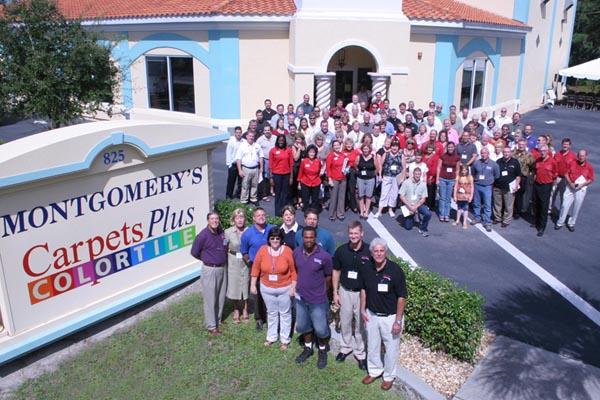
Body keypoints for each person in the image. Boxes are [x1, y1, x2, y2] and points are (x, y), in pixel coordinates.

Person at [360, 238, 407, 391]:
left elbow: (402, 297)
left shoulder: (395, 271)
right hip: (372, 315)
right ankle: (374, 370)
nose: (379, 253)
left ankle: (388, 376)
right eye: (376, 251)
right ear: (372, 253)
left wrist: (398, 321)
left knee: (391, 348)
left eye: (381, 251)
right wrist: (362, 309)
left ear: (385, 252)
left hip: (391, 317)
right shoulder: (367, 268)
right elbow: (364, 290)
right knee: (372, 346)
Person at [293, 226, 333, 369]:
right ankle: (308, 348)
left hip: (318, 299)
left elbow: (329, 276)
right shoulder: (296, 253)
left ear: (315, 238)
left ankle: (322, 351)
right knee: (304, 326)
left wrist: (322, 291)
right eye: (306, 237)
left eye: (311, 237)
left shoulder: (324, 256)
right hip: (301, 298)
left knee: (321, 329)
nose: (309, 240)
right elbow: (297, 271)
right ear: (302, 238)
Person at [251, 227, 297, 349]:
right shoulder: (263, 250)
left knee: (285, 313)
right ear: (269, 239)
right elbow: (255, 268)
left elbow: (293, 271)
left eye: (277, 238)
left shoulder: (287, 251)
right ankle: (271, 337)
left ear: (281, 239)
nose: (275, 240)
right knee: (271, 313)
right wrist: (252, 284)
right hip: (267, 288)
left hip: (285, 288)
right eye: (272, 238)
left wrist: (293, 287)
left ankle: (284, 339)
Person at [332, 221, 369, 371]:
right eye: (351, 233)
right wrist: (335, 292)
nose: (353, 236)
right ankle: (345, 347)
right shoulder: (341, 250)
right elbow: (336, 271)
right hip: (345, 291)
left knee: (361, 323)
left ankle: (360, 353)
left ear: (362, 234)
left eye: (356, 233)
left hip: (362, 293)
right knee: (345, 320)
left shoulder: (369, 251)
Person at [190, 212, 228, 336]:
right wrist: (208, 258)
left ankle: (218, 319)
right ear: (208, 221)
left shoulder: (221, 232)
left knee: (220, 296)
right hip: (210, 270)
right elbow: (194, 252)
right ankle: (211, 326)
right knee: (210, 298)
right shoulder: (203, 235)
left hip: (222, 268)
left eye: (217, 219)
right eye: (212, 219)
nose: (215, 221)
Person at [241, 208, 275, 330]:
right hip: (257, 268)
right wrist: (251, 263)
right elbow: (244, 251)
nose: (261, 217)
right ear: (253, 218)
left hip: (273, 267)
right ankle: (259, 318)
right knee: (258, 294)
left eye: (263, 214)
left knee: (272, 292)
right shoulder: (248, 233)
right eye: (258, 215)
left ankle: (271, 316)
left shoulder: (272, 229)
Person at [556, 149, 594, 232]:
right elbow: (566, 174)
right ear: (578, 156)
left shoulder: (589, 167)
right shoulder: (572, 163)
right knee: (564, 205)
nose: (581, 157)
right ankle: (560, 222)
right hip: (570, 187)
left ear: (586, 156)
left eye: (583, 156)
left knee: (577, 207)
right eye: (580, 155)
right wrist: (570, 183)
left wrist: (582, 185)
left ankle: (571, 223)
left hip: (581, 189)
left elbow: (591, 179)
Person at [225, 209, 249, 324]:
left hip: (246, 261)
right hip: (233, 261)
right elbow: (224, 247)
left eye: (242, 217)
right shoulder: (228, 232)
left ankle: (245, 308)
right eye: (237, 218)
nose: (240, 220)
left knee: (245, 284)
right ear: (233, 220)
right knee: (234, 285)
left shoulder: (249, 231)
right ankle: (236, 310)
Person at [471, 148, 500, 231]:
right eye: (482, 153)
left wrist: (490, 181)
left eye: (485, 153)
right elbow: (473, 173)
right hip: (477, 185)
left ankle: (487, 222)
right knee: (476, 203)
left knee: (487, 205)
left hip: (487, 187)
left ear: (488, 154)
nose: (483, 155)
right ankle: (477, 218)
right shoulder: (476, 163)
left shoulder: (494, 164)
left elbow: (497, 175)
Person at [373, 139, 403, 218]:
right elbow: (381, 165)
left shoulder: (401, 155)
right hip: (387, 176)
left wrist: (402, 178)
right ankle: (379, 211)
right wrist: (380, 175)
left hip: (396, 177)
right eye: (393, 146)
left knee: (394, 194)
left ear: (398, 147)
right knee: (384, 193)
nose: (394, 148)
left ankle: (390, 209)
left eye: (396, 146)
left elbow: (404, 167)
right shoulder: (386, 154)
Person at [493, 147, 521, 228]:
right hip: (498, 186)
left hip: (509, 187)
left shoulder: (515, 162)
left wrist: (516, 185)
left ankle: (506, 220)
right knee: (497, 204)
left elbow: (518, 176)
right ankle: (497, 218)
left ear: (510, 153)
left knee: (508, 205)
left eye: (508, 152)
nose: (506, 153)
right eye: (504, 152)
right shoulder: (498, 161)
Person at [532, 144, 557, 236]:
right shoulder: (538, 160)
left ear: (547, 151)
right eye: (541, 151)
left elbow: (555, 174)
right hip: (537, 184)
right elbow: (535, 171)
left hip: (546, 186)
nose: (542, 152)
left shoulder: (552, 161)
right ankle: (537, 222)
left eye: (544, 151)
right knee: (536, 204)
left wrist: (551, 184)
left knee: (544, 206)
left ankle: (542, 227)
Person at [399, 168, 432, 237]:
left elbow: (423, 199)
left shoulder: (423, 184)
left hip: (418, 204)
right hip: (408, 205)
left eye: (419, 174)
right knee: (408, 227)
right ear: (413, 174)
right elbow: (401, 196)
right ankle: (413, 215)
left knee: (428, 214)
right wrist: (410, 207)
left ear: (421, 175)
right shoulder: (406, 182)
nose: (417, 176)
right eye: (416, 174)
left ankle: (423, 228)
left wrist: (415, 207)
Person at [269, 134, 294, 216]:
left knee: (285, 194)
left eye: (282, 140)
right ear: (277, 140)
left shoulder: (289, 150)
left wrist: (291, 177)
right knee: (278, 194)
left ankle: (283, 212)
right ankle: (277, 213)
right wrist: (271, 177)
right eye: (279, 140)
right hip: (277, 175)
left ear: (284, 141)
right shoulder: (272, 150)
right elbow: (270, 165)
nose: (281, 141)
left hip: (286, 175)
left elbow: (291, 164)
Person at [236, 131, 263, 205]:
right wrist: (240, 170)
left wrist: (261, 168)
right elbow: (238, 159)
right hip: (246, 168)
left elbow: (261, 157)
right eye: (250, 136)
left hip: (255, 168)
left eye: (253, 136)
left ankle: (253, 199)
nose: (251, 137)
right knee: (245, 185)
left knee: (255, 184)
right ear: (247, 136)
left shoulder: (257, 146)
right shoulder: (242, 146)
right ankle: (244, 200)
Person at [436, 142, 460, 222]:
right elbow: (439, 167)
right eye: (449, 147)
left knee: (448, 198)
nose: (450, 148)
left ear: (454, 148)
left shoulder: (457, 157)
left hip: (451, 179)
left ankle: (447, 214)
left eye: (452, 147)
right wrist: (437, 179)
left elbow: (457, 170)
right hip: (442, 178)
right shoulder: (442, 156)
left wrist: (456, 180)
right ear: (447, 148)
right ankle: (441, 214)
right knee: (442, 198)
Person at [551, 138, 576, 214]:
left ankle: (561, 212)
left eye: (567, 144)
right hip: (556, 177)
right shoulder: (557, 154)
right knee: (552, 194)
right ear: (562, 144)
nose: (565, 146)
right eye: (564, 144)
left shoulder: (573, 156)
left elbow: (574, 169)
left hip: (565, 179)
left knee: (563, 196)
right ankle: (550, 209)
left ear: (570, 146)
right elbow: (553, 165)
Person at [513, 138, 536, 219]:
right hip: (513, 177)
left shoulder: (529, 155)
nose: (521, 146)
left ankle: (517, 212)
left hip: (522, 177)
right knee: (512, 194)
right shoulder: (513, 153)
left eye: (523, 144)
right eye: (520, 144)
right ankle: (511, 209)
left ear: (525, 145)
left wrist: (529, 174)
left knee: (519, 195)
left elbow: (533, 166)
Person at [326, 139, 348, 221]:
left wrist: (347, 170)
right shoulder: (330, 156)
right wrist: (329, 179)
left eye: (338, 145)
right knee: (334, 197)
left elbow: (347, 165)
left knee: (342, 197)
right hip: (334, 179)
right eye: (335, 145)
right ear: (332, 147)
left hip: (343, 179)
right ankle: (332, 214)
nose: (336, 147)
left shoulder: (343, 155)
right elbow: (328, 169)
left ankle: (340, 213)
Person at [297, 144, 322, 212]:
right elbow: (300, 172)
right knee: (305, 199)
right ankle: (307, 212)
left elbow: (319, 171)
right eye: (310, 152)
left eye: (313, 152)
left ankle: (313, 212)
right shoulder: (304, 161)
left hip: (316, 182)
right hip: (305, 182)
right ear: (307, 152)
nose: (312, 154)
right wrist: (299, 183)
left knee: (315, 199)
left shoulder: (318, 161)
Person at [356, 144, 376, 219]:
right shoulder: (359, 157)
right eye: (364, 149)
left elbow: (376, 168)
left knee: (368, 196)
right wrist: (359, 173)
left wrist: (371, 174)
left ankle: (366, 211)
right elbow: (356, 166)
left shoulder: (373, 158)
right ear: (362, 149)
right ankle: (361, 211)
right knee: (361, 195)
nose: (365, 150)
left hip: (370, 179)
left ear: (369, 150)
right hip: (360, 178)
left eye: (367, 149)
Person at [257, 125, 276, 202]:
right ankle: (264, 194)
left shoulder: (275, 138)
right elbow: (256, 150)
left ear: (271, 130)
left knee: (273, 176)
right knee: (265, 177)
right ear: (263, 131)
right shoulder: (260, 140)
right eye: (265, 130)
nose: (267, 131)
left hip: (274, 160)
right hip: (265, 160)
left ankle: (272, 190)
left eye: (268, 130)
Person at [225, 126, 244, 199]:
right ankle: (228, 196)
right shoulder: (231, 141)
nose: (238, 134)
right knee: (231, 182)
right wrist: (229, 164)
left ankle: (239, 195)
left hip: (241, 165)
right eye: (237, 132)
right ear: (234, 133)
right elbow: (228, 153)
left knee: (240, 182)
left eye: (240, 132)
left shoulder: (243, 141)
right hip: (233, 165)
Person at [453, 165, 474, 229]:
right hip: (459, 195)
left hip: (466, 196)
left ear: (467, 170)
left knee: (465, 209)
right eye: (462, 170)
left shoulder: (470, 177)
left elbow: (472, 187)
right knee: (459, 208)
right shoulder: (458, 177)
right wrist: (454, 195)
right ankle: (457, 220)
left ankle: (464, 222)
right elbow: (456, 186)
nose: (463, 171)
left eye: (465, 170)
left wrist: (471, 196)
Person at [423, 144, 439, 210]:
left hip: (431, 177)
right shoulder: (424, 156)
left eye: (431, 149)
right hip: (424, 175)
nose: (429, 150)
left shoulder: (435, 157)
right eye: (428, 149)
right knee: (425, 191)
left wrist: (431, 176)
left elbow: (435, 167)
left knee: (430, 191)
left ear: (433, 150)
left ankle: (430, 206)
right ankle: (425, 204)